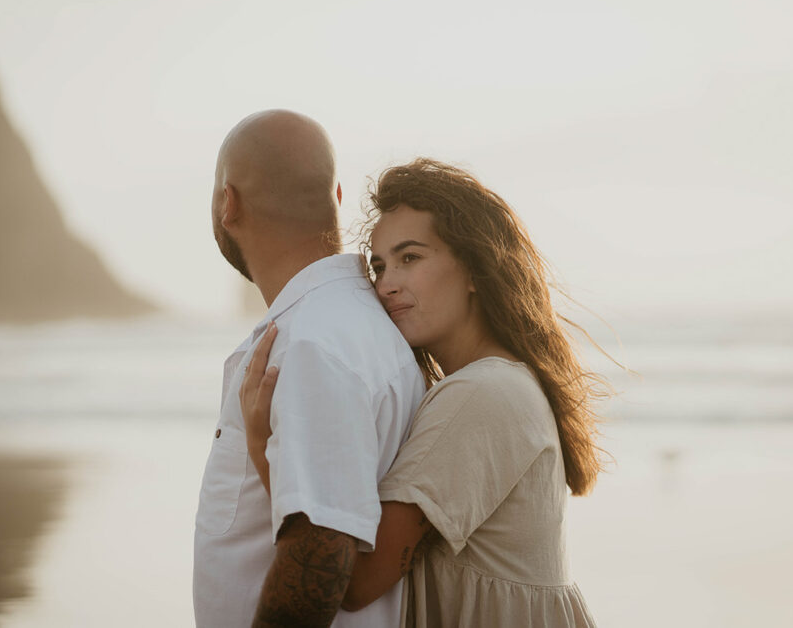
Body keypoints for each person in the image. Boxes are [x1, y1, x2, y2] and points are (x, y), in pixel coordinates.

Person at [242, 158, 604, 627]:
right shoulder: (500, 382)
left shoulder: (482, 394)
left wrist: (263, 446)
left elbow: (353, 583)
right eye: (378, 266)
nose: (386, 284)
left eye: (409, 258)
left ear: (476, 269)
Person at [194, 110, 425, 628]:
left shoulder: (311, 343)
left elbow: (320, 557)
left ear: (227, 204)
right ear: (336, 198)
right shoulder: (354, 326)